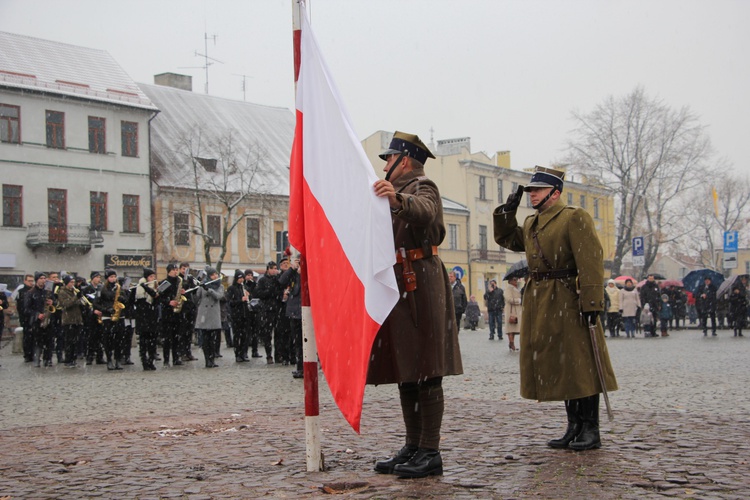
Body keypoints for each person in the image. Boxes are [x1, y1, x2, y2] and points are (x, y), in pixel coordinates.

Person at [493, 165, 617, 451]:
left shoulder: (574, 218)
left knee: (581, 364)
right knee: (562, 366)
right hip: (542, 300)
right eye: (530, 190)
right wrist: (506, 213)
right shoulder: (533, 223)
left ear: (555, 192)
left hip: (568, 298)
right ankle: (573, 426)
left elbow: (591, 261)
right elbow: (509, 240)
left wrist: (591, 302)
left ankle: (591, 428)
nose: (531, 195)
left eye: (536, 190)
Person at [370, 131, 463, 478]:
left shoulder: (423, 187)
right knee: (406, 369)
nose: (385, 167)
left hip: (421, 282)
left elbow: (426, 213)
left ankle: (430, 450)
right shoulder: (390, 193)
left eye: (388, 160)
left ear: (403, 160)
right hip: (400, 282)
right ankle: (412, 445)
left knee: (427, 368)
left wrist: (397, 201)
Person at [194, 266, 224, 368]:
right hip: (204, 314)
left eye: (216, 274)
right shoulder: (203, 285)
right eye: (213, 274)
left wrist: (209, 290)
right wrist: (197, 287)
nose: (215, 276)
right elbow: (197, 297)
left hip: (213, 315)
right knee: (205, 340)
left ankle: (212, 359)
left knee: (212, 339)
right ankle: (207, 360)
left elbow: (219, 296)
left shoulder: (220, 286)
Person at [279, 254, 303, 379]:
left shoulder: (308, 274)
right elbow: (282, 281)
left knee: (306, 342)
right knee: (297, 342)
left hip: (305, 311)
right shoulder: (293, 274)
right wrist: (292, 269)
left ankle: (305, 366)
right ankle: (300, 367)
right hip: (294, 311)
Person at [95, 269, 126, 370]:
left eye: (114, 276)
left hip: (118, 316)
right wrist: (106, 309)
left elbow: (126, 300)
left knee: (119, 339)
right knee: (108, 339)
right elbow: (96, 303)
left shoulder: (119, 287)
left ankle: (118, 360)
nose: (113, 279)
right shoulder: (101, 288)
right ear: (107, 278)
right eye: (111, 277)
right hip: (107, 316)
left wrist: (122, 299)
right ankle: (109, 360)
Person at [254, 261, 284, 364]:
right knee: (267, 334)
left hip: (277, 309)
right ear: (268, 269)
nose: (274, 270)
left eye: (275, 268)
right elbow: (258, 293)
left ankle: (278, 355)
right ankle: (268, 355)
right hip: (267, 310)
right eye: (272, 268)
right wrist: (269, 291)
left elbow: (280, 293)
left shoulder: (278, 280)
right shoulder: (262, 280)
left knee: (279, 334)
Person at [24, 272, 54, 367]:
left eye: (44, 278)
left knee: (49, 341)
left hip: (48, 319)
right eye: (41, 278)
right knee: (38, 341)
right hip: (37, 321)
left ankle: (48, 359)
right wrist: (37, 314)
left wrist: (52, 302)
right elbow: (26, 308)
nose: (43, 280)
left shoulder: (48, 291)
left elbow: (56, 303)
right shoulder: (31, 293)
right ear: (37, 280)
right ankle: (37, 359)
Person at [159, 263, 184, 366]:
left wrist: (182, 293)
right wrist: (168, 302)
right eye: (173, 270)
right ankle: (166, 359)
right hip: (167, 313)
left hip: (177, 313)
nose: (176, 271)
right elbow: (159, 297)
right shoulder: (164, 282)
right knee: (167, 338)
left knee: (176, 337)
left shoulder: (179, 281)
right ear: (169, 271)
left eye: (176, 269)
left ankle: (176, 357)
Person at [134, 267, 159, 371]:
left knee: (153, 342)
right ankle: (144, 361)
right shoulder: (139, 288)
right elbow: (136, 301)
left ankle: (151, 361)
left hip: (152, 317)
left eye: (154, 276)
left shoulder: (155, 287)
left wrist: (147, 287)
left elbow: (156, 297)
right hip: (142, 318)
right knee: (143, 342)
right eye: (151, 276)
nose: (153, 278)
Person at [56, 275, 83, 367]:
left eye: (73, 282)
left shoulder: (73, 291)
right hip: (68, 320)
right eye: (71, 282)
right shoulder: (62, 292)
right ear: (66, 283)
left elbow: (77, 304)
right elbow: (66, 304)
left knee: (76, 341)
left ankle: (74, 359)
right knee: (69, 341)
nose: (73, 284)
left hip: (77, 319)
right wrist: (76, 297)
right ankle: (68, 359)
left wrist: (80, 299)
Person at [227, 270, 252, 363]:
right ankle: (237, 354)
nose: (241, 280)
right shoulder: (232, 288)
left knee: (245, 336)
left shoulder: (244, 287)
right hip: (236, 315)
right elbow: (230, 302)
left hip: (245, 315)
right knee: (237, 335)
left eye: (242, 278)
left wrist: (248, 297)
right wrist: (240, 300)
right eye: (239, 278)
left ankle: (243, 353)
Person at [13, 274, 35, 362]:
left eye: (32, 281)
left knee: (34, 337)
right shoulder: (21, 291)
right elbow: (20, 306)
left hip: (34, 317)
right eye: (29, 281)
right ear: (25, 281)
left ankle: (33, 354)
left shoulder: (34, 290)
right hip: (25, 317)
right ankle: (27, 355)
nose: (31, 283)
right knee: (27, 337)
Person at [504, 276, 522, 351]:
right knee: (511, 328)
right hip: (511, 310)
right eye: (514, 280)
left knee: (514, 328)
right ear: (510, 281)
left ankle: (512, 343)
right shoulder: (508, 288)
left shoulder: (516, 288)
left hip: (516, 310)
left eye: (516, 280)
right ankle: (511, 343)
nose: (516, 281)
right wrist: (519, 300)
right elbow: (508, 299)